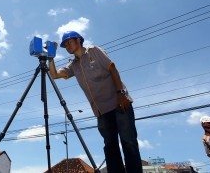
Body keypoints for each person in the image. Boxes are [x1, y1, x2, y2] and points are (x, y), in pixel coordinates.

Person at [48, 31, 143, 173]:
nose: (67, 46)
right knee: (110, 148)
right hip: (101, 111)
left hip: (119, 103)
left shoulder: (94, 51)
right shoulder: (73, 65)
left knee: (128, 143)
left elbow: (112, 69)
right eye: (65, 44)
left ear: (79, 40)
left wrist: (121, 93)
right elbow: (54, 75)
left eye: (69, 42)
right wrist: (51, 57)